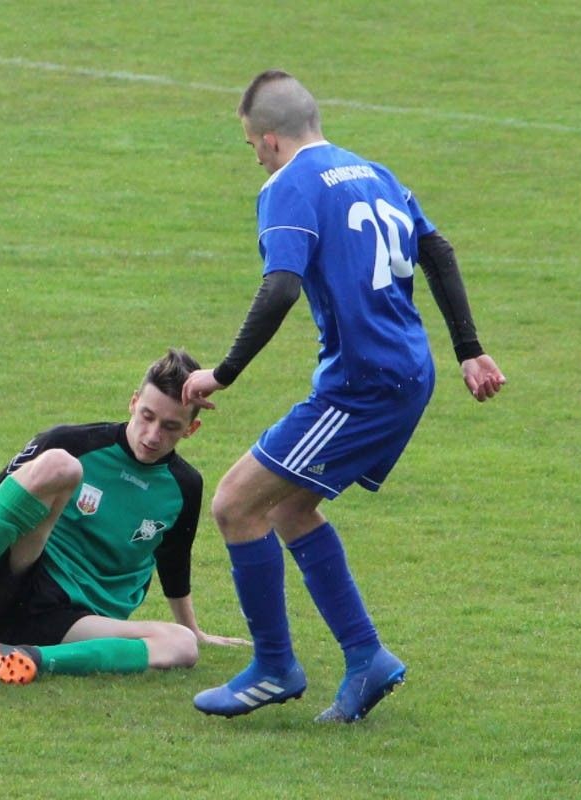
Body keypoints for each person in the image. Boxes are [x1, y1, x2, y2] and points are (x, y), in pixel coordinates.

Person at [181, 70, 506, 722]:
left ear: (269, 141)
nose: (255, 159)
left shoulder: (288, 186)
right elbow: (437, 249)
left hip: (363, 385)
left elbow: (280, 288)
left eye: (251, 147)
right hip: (405, 373)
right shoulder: (373, 173)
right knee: (290, 509)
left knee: (235, 503)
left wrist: (223, 373)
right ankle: (367, 659)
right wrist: (469, 347)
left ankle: (274, 665)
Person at [0, 348, 247, 684]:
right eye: (146, 416)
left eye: (170, 426)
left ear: (191, 429)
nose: (152, 434)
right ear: (132, 403)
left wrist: (193, 628)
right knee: (60, 465)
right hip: (6, 577)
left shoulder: (185, 485)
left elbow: (174, 564)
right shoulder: (74, 442)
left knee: (181, 646)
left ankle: (25, 659)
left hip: (70, 620)